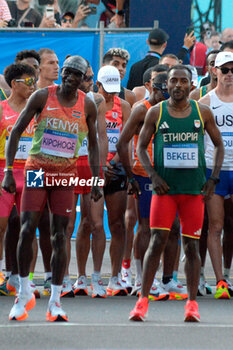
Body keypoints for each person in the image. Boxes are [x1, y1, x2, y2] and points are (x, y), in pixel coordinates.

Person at [2, 55, 102, 322]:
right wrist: (10, 171)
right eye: (66, 72)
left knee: (60, 235)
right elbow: (16, 132)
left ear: (83, 80)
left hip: (65, 177)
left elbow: (93, 145)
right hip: (35, 172)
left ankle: (55, 301)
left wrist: (97, 178)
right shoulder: (42, 96)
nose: (69, 77)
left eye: (75, 74)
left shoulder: (87, 105)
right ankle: (23, 293)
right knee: (27, 227)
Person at [129, 64, 224, 322]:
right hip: (165, 190)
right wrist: (153, 175)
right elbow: (140, 147)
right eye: (174, 81)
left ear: (191, 85)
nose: (179, 85)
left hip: (193, 191)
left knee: (191, 247)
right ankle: (142, 301)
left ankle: (192, 304)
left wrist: (213, 178)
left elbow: (219, 145)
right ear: (166, 84)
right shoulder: (156, 112)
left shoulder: (202, 112)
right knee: (156, 242)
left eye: (184, 81)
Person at [63, 62, 108, 298]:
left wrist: (99, 171)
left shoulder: (94, 101)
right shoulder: (57, 98)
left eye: (91, 77)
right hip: (67, 167)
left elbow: (101, 137)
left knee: (95, 223)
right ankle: (71, 278)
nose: (90, 81)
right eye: (87, 77)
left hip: (90, 167)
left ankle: (96, 278)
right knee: (68, 225)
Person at [199, 51, 233, 299]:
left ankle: (228, 274)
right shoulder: (206, 102)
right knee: (216, 225)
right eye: (225, 70)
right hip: (214, 169)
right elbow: (197, 140)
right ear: (214, 71)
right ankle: (220, 280)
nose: (230, 75)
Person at [0, 63, 36, 293]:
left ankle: (24, 279)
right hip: (5, 169)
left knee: (29, 227)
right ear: (14, 84)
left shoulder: (38, 110)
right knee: (0, 225)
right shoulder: (2, 109)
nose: (34, 86)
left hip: (34, 171)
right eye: (29, 82)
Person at [95, 65, 131, 295]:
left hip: (116, 168)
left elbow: (125, 140)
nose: (110, 94)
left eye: (114, 90)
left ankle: (115, 277)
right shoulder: (90, 103)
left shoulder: (124, 106)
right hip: (94, 169)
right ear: (97, 85)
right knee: (94, 224)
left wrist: (113, 163)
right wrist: (99, 166)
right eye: (106, 89)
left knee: (117, 225)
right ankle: (92, 277)